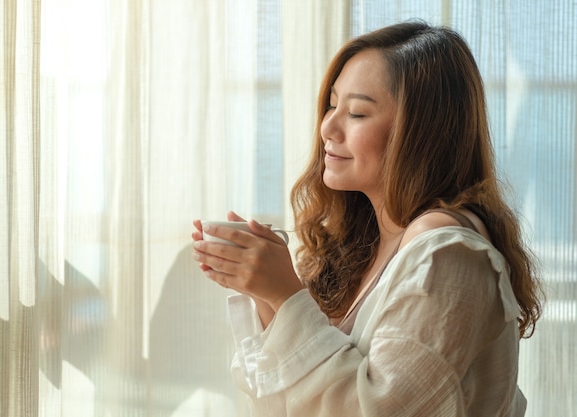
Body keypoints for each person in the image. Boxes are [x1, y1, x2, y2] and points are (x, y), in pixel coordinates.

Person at [191, 21, 543, 416]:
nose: (328, 126)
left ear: (421, 133)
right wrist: (265, 293)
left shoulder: (446, 253)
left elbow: (380, 409)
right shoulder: (365, 244)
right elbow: (294, 400)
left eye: (357, 113)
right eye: (332, 104)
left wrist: (284, 295)